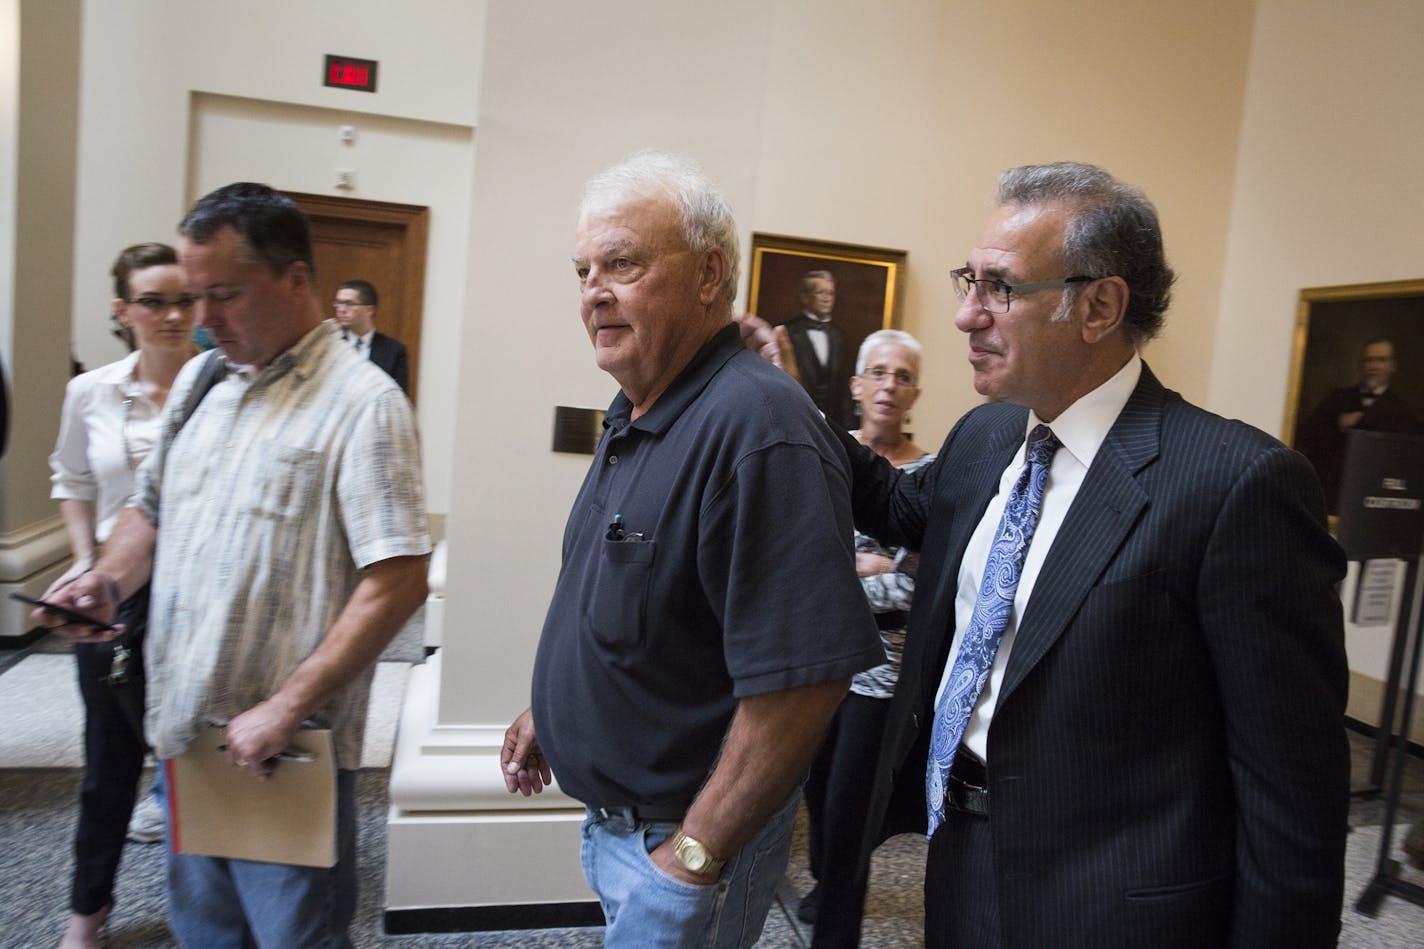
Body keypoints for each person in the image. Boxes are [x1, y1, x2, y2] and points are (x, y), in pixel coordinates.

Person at [741, 161, 1350, 948]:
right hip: (959, 858)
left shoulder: (1236, 486)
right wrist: (785, 392)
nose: (965, 316)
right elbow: (888, 501)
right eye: (971, 280)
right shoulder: (986, 437)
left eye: (1000, 287)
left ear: (1099, 304)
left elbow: (1292, 795)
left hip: (1114, 906)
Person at [499, 151, 883, 949]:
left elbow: (806, 678)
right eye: (583, 270)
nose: (594, 291)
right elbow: (639, 597)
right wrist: (559, 705)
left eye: (623, 264)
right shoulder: (639, 407)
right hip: (625, 830)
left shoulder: (757, 428)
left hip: (682, 846)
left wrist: (694, 854)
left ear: (711, 274)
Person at [32, 183, 431, 947]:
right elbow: (147, 513)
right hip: (187, 736)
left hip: (284, 753)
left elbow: (400, 577)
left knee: (293, 938)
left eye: (224, 294)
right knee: (207, 936)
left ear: (295, 281)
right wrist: (105, 581)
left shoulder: (363, 404)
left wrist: (286, 704)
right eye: (193, 295)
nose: (203, 319)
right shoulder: (202, 381)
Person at [45, 243, 198, 949]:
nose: (171, 315)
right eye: (153, 301)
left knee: (196, 759)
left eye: (183, 300)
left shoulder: (217, 386)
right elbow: (72, 478)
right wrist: (86, 564)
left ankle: (206, 912)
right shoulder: (92, 392)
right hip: (111, 597)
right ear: (122, 310)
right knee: (108, 762)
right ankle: (87, 915)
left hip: (198, 595)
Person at [799, 329, 933, 947]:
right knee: (818, 801)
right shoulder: (828, 459)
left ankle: (836, 925)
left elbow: (915, 588)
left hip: (881, 677)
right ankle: (828, 883)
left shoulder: (930, 473)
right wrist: (873, 567)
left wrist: (856, 574)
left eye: (902, 376)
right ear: (856, 386)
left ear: (914, 393)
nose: (889, 385)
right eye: (877, 372)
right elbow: (799, 565)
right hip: (815, 667)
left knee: (852, 818)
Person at [1296, 337, 1419, 514]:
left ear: (1393, 366)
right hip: (1331, 494)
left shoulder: (1403, 411)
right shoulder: (1336, 399)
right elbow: (1307, 438)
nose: (1374, 366)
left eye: (1381, 360)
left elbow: (1405, 464)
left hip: (1375, 498)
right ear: (1361, 365)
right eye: (1369, 360)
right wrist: (1337, 423)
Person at [784, 270, 855, 429]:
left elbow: (844, 391)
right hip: (797, 423)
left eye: (831, 293)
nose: (827, 298)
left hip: (833, 427)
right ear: (805, 297)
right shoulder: (788, 333)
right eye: (821, 292)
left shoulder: (839, 337)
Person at [333, 278, 409, 394]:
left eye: (349, 303)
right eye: (338, 303)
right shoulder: (331, 345)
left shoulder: (394, 351)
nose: (341, 310)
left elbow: (398, 398)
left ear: (369, 310)